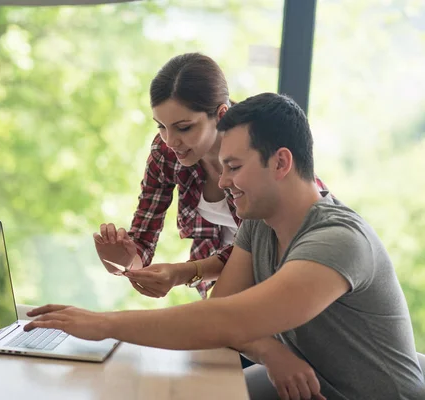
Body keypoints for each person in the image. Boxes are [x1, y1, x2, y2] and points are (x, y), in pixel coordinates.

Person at [25, 93, 425, 400]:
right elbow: (220, 315)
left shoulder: (338, 240)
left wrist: (102, 325)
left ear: (281, 163)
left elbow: (226, 322)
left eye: (234, 167)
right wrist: (270, 351)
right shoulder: (258, 225)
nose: (224, 182)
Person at [94, 53, 327, 301]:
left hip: (281, 278)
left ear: (222, 114)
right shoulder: (166, 154)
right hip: (219, 285)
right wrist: (123, 261)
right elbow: (141, 245)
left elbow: (264, 243)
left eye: (184, 127)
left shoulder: (259, 149)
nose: (170, 141)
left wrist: (185, 273)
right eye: (161, 126)